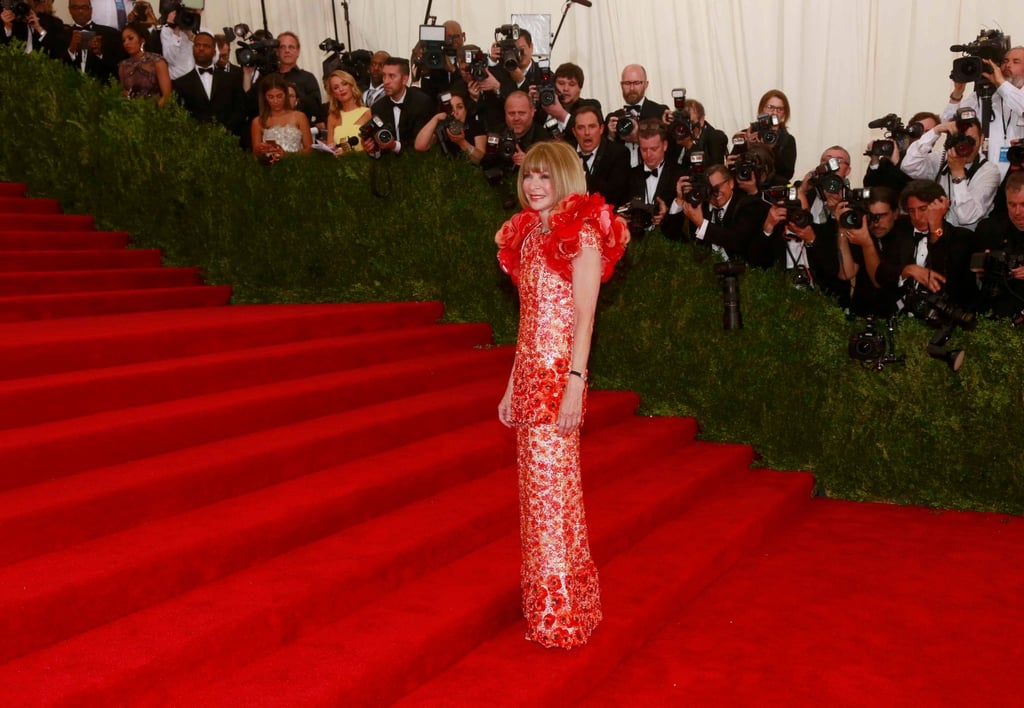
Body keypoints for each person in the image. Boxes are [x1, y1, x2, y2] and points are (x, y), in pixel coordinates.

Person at [495, 140, 629, 650]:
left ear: (566, 179)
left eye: (545, 178)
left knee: (553, 500)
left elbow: (585, 317)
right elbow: (528, 319)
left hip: (558, 379)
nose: (533, 186)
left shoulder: (584, 234)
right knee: (539, 502)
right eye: (529, 176)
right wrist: (511, 384)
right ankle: (566, 601)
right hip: (529, 376)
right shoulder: (528, 236)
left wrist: (577, 381)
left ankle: (559, 616)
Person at [900, 108, 1002, 231]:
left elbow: (966, 217)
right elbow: (909, 166)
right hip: (939, 235)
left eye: (971, 140)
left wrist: (957, 172)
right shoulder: (942, 158)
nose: (966, 146)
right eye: (961, 139)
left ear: (981, 138)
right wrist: (935, 131)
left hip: (969, 240)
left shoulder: (989, 171)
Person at [944, 45, 1024, 178]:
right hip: (986, 176)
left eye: (1016, 62)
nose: (1007, 65)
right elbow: (948, 125)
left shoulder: (1013, 94)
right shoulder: (983, 94)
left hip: (1018, 175)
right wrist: (958, 92)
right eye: (1005, 61)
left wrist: (1001, 84)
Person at [172, 31, 245, 137]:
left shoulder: (231, 79)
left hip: (229, 139)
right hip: (197, 142)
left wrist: (224, 130)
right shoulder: (180, 84)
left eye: (206, 46)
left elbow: (239, 109)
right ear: (193, 49)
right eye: (197, 45)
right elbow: (180, 115)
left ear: (214, 52)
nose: (201, 48)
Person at [414, 87, 486, 162]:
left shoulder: (475, 125)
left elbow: (480, 158)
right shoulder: (442, 127)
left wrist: (462, 142)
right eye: (450, 108)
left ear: (466, 109)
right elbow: (420, 146)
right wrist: (435, 118)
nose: (455, 112)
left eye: (460, 107)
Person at [251, 73, 312, 161]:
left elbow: (309, 150)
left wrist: (287, 155)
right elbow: (256, 154)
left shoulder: (299, 117)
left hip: (298, 167)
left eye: (279, 96)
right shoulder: (258, 122)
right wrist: (260, 149)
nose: (275, 101)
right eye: (270, 97)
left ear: (286, 95)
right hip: (270, 170)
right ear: (264, 97)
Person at [747, 89, 797, 182]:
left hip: (773, 187)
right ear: (762, 109)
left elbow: (787, 174)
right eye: (770, 107)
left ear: (784, 114)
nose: (774, 112)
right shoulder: (749, 133)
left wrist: (769, 150)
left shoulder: (787, 140)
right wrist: (746, 145)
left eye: (779, 109)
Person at [118, 21, 170, 105]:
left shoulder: (157, 61)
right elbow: (123, 93)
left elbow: (167, 96)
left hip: (156, 113)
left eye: (130, 38)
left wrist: (153, 112)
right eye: (124, 41)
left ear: (142, 40)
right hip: (129, 113)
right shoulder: (123, 66)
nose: (126, 43)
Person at [324, 69, 370, 155]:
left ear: (351, 86)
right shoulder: (332, 117)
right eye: (336, 87)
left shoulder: (367, 113)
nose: (341, 89)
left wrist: (348, 153)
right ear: (334, 94)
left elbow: (373, 148)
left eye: (344, 84)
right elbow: (330, 148)